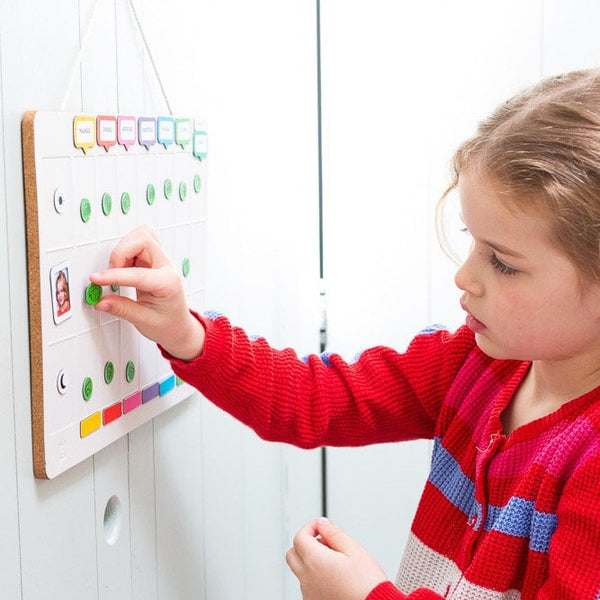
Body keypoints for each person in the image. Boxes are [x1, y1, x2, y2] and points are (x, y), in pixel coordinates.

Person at [89, 69, 600, 599]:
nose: (465, 276)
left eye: (504, 263)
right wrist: (186, 333)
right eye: (472, 241)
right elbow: (314, 398)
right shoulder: (472, 363)